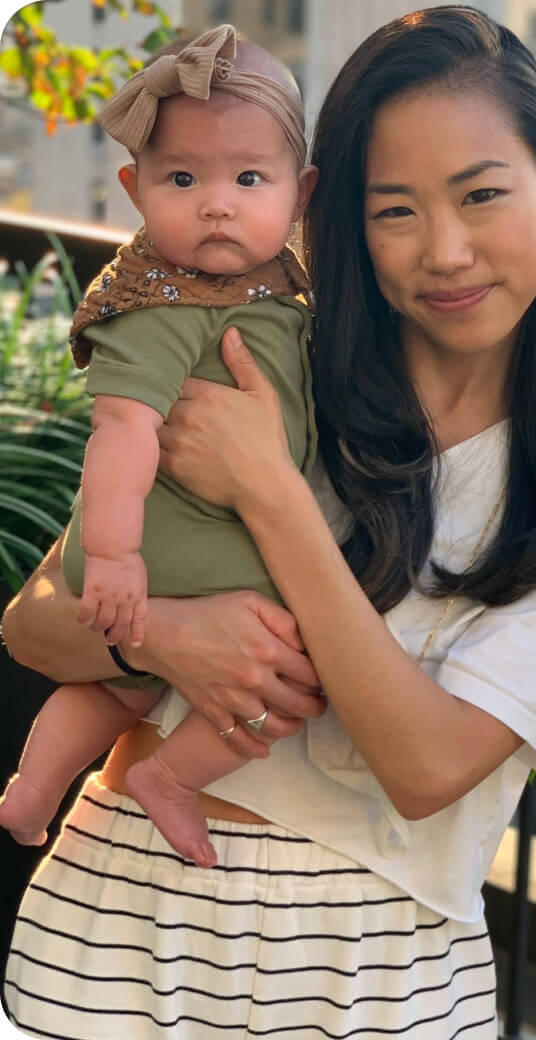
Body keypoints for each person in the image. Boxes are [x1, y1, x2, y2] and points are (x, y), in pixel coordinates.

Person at [2, 6, 536, 1038]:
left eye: (480, 194)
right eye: (393, 209)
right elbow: (36, 618)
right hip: (114, 918)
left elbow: (423, 767)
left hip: (373, 973)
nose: (443, 251)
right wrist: (169, 632)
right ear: (342, 217)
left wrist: (270, 493)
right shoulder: (270, 355)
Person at [0, 24, 319, 870]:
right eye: (184, 178)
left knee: (113, 687)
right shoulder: (164, 303)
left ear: (300, 190)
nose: (217, 201)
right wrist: (111, 555)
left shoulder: (275, 293)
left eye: (249, 178)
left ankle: (32, 792)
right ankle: (171, 780)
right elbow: (123, 429)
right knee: (298, 670)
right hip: (160, 552)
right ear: (136, 190)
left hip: (185, 547)